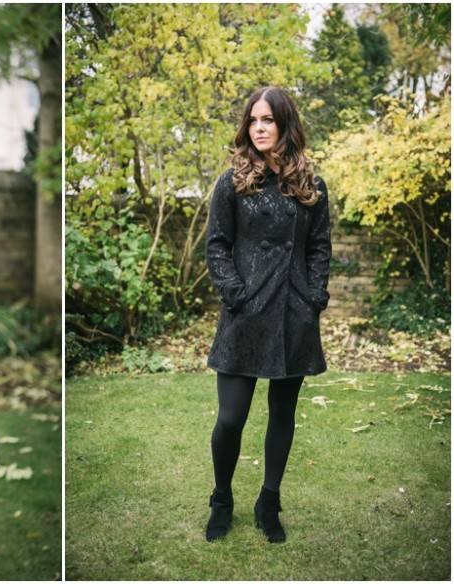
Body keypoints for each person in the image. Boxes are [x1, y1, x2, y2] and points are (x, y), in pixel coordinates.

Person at [204, 86, 331, 544]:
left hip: (294, 315)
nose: (259, 128)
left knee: (283, 413)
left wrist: (315, 295)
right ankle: (222, 498)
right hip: (244, 314)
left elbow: (319, 246)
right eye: (253, 120)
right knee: (231, 417)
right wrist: (234, 294)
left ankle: (269, 500)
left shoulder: (311, 185)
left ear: (285, 125)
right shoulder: (232, 182)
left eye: (268, 120)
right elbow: (217, 245)